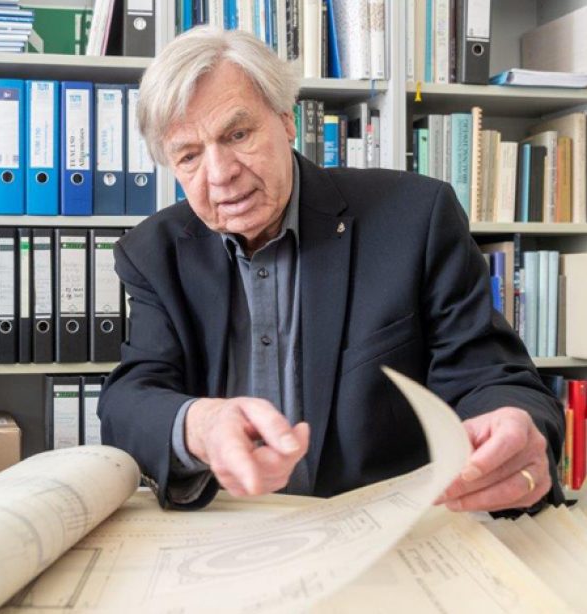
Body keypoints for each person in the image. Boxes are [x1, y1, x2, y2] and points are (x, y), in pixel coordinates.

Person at [98, 27, 564, 513]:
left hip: (389, 532)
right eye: (189, 156)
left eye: (237, 135)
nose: (219, 174)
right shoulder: (154, 253)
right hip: (226, 535)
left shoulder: (415, 218)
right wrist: (199, 424)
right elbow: (129, 400)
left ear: (287, 120)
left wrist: (513, 423)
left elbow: (489, 375)